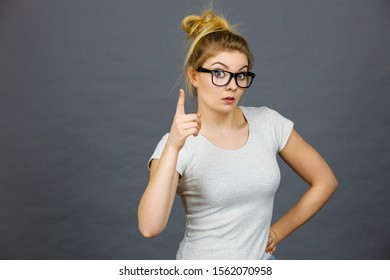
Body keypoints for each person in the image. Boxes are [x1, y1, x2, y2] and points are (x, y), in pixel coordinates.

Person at [138, 8, 338, 260]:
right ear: (194, 75)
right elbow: (149, 227)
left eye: (241, 74)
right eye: (219, 73)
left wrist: (277, 232)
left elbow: (325, 181)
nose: (232, 84)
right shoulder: (177, 143)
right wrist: (174, 146)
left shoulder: (268, 123)